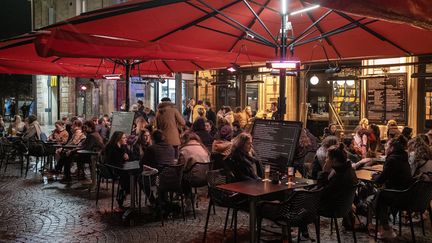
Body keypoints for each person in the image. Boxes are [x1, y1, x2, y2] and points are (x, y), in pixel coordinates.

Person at [372, 135, 413, 239]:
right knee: (380, 194)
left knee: (380, 196)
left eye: (386, 146)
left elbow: (381, 180)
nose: (385, 148)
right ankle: (385, 226)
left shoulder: (392, 159)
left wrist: (375, 176)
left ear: (392, 148)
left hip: (397, 195)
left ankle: (385, 229)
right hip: (406, 193)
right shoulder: (403, 158)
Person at [104, 131, 130, 207]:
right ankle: (123, 193)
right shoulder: (111, 147)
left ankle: (123, 192)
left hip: (121, 168)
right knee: (128, 175)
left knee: (132, 175)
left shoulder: (123, 147)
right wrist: (123, 156)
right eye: (124, 138)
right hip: (112, 170)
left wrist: (126, 156)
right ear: (118, 139)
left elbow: (130, 155)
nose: (126, 139)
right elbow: (114, 161)